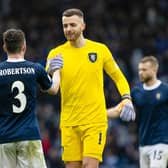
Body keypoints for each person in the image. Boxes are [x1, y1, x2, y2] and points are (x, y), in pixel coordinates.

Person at [46, 8, 135, 168]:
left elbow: (119, 77)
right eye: (65, 26)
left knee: (89, 165)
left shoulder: (100, 50)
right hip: (69, 122)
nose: (68, 29)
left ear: (83, 25)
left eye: (72, 25)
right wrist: (49, 72)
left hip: (95, 121)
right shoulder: (55, 54)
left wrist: (126, 98)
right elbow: (50, 88)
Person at [0, 28, 63, 168]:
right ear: (24, 46)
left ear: (5, 47)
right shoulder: (35, 69)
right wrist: (57, 70)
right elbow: (54, 89)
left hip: (3, 137)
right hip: (28, 135)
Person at [108, 56, 168, 168]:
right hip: (143, 144)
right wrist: (102, 113)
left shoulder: (165, 91)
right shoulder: (136, 92)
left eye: (144, 70)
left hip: (161, 142)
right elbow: (119, 110)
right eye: (139, 70)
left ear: (154, 70)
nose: (140, 73)